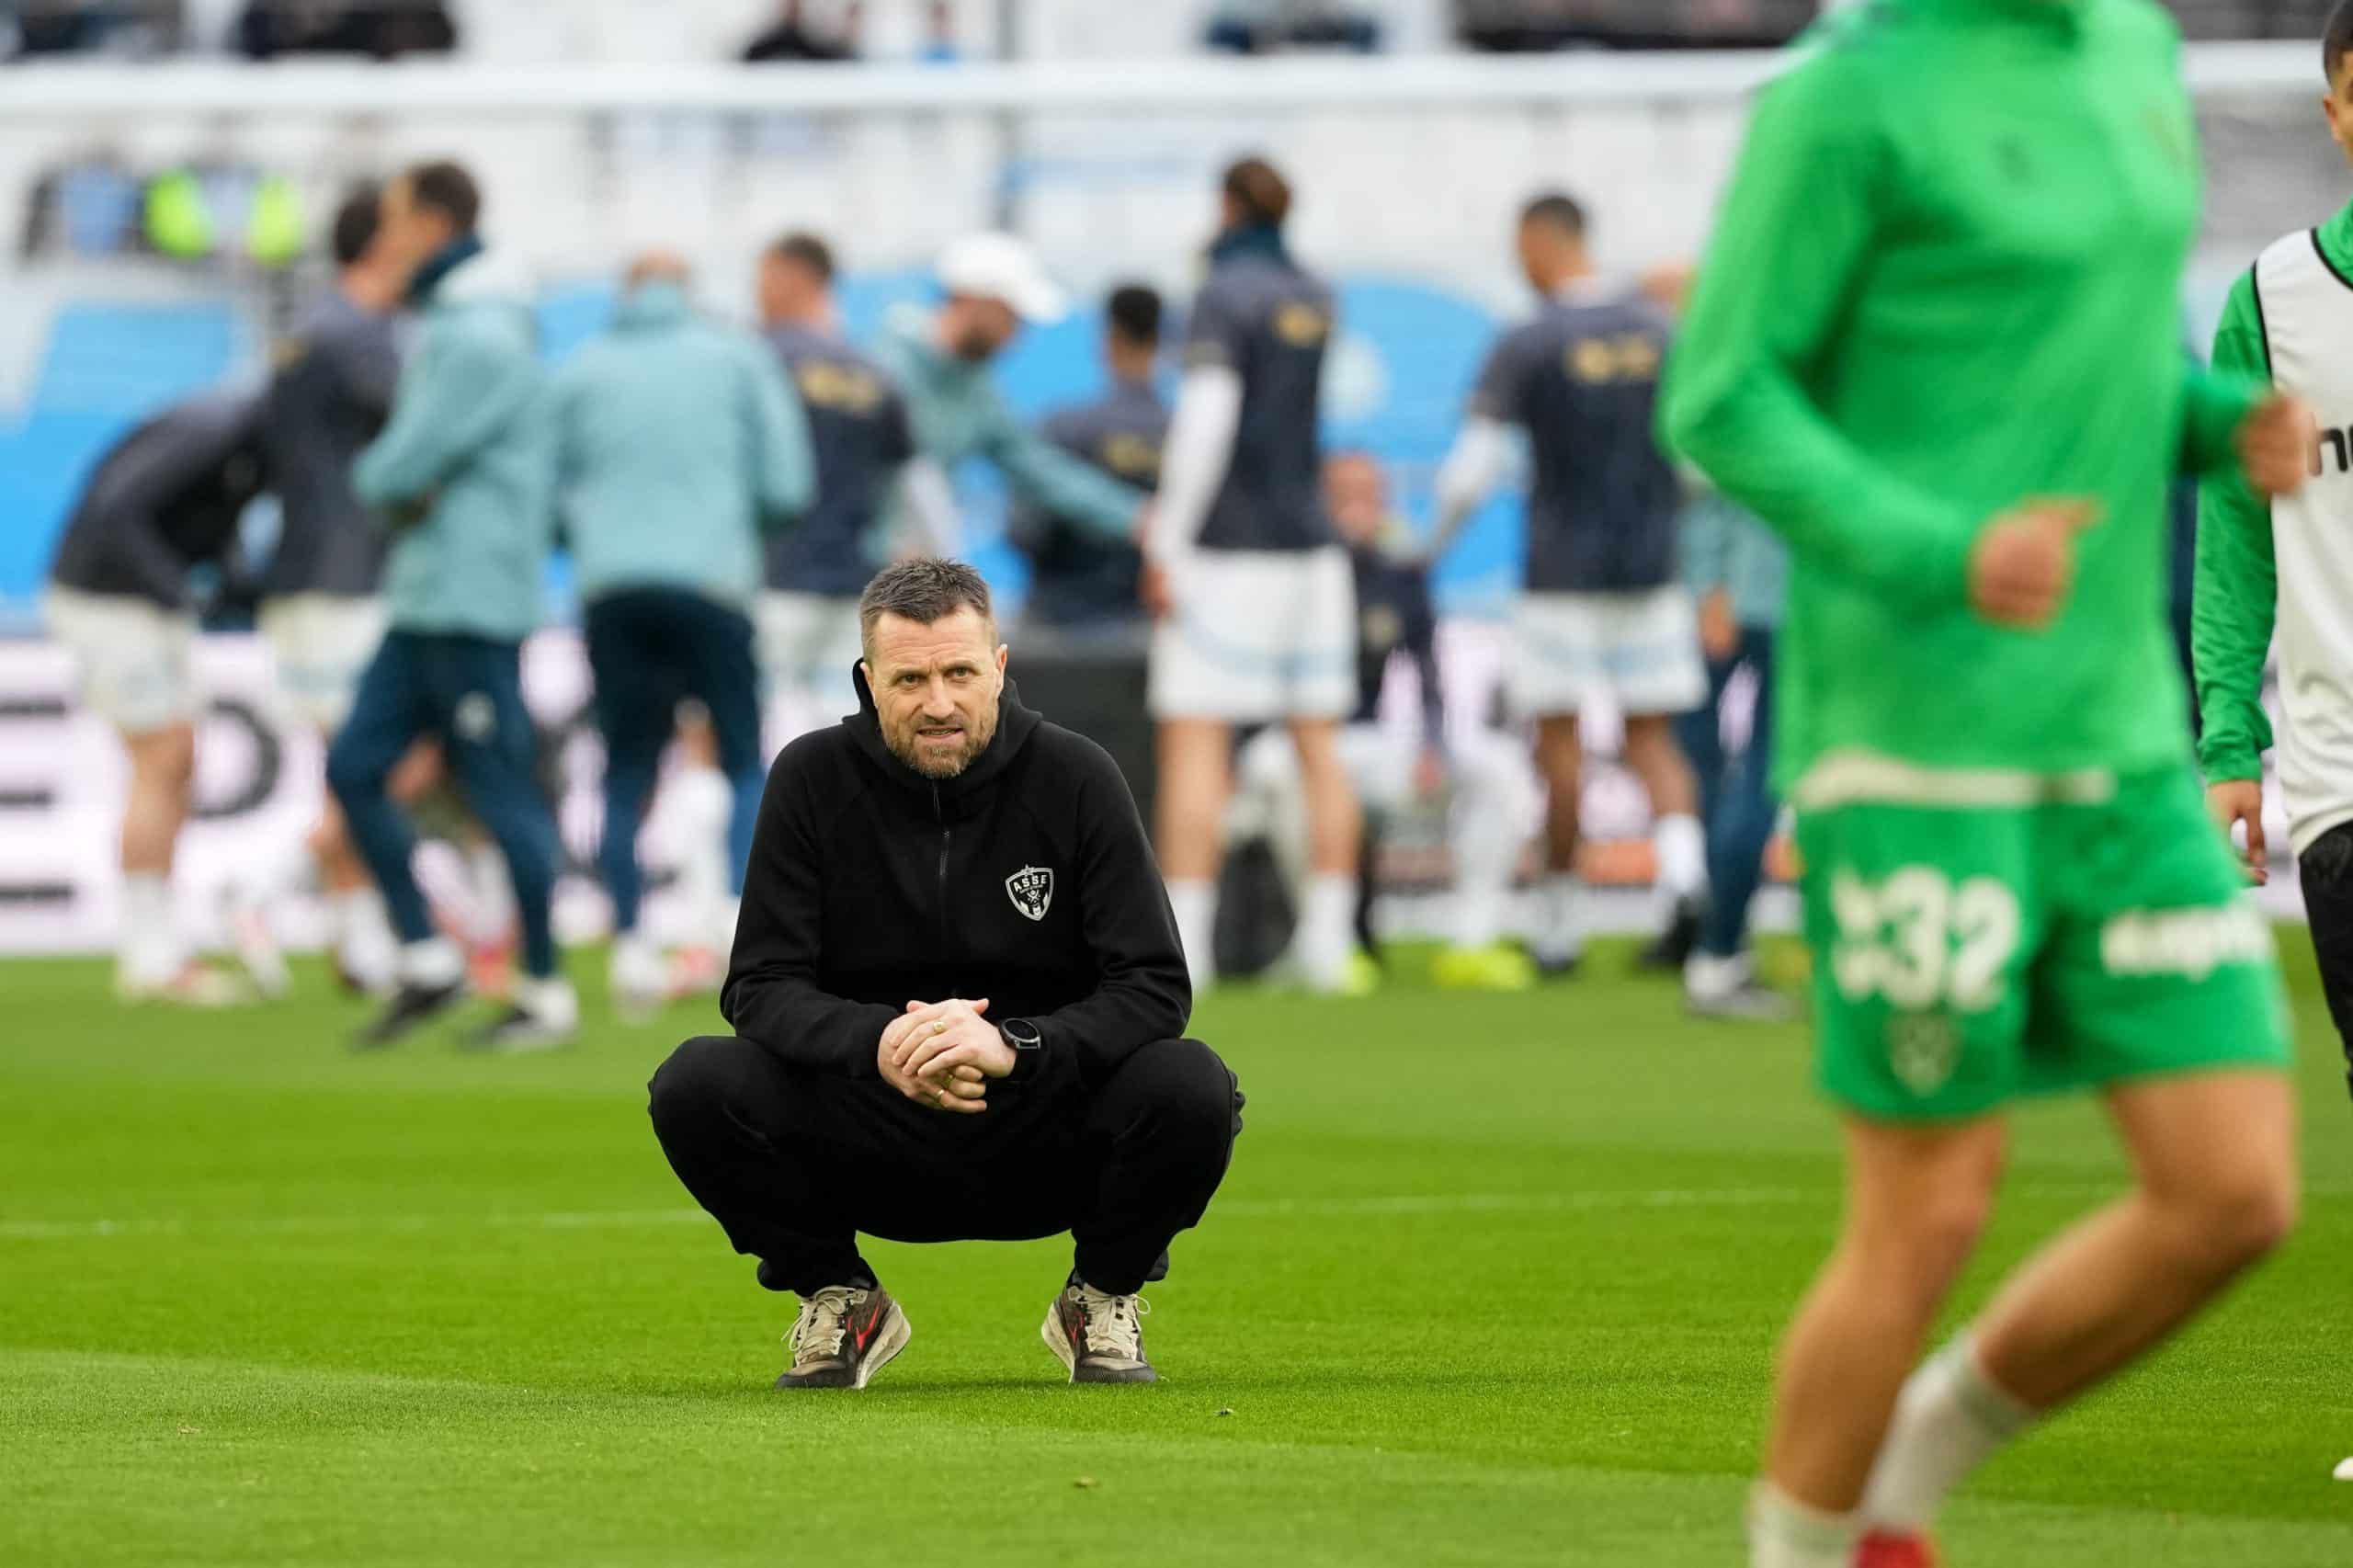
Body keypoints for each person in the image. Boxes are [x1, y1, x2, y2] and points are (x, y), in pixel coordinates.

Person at [1659, 3, 2313, 1564]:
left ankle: (1910, 1462)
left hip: (2120, 735)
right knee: (1931, 1210)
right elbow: (1723, 395)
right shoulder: (1848, 99)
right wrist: (1942, 550)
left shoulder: (2128, 49)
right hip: (1917, 737)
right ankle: (1805, 1547)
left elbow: (2082, 360)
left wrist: (2220, 421)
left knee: (2235, 1191)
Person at [646, 559, 1241, 1390]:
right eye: (911, 679)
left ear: (999, 668)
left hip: (1042, 1123)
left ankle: (1102, 1293)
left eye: (960, 672)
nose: (939, 703)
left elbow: (1153, 986)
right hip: (871, 1126)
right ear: (867, 681)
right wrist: (880, 1040)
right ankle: (840, 1295)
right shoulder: (810, 780)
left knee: (1192, 1085)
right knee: (696, 1082)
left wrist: (1015, 1046)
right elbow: (760, 984)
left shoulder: (1078, 778)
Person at [1429, 192, 1708, 979]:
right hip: (1651, 568)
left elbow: (1470, 473)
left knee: (1559, 747)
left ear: (1539, 240)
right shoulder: (1661, 333)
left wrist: (1432, 547)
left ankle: (1557, 925)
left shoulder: (1531, 340)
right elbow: (1695, 460)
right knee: (1654, 739)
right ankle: (1685, 887)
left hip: (1558, 575)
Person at [330, 160, 574, 1052]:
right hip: (429, 594)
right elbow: (409, 474)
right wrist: (407, 484)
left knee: (500, 788)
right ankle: (430, 956)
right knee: (355, 764)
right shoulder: (460, 322)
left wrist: (398, 482)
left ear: (432, 223)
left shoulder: (478, 334)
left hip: (473, 598)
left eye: (392, 217)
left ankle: (545, 991)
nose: (381, 236)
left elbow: (393, 465)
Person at [552, 252, 815, 1018]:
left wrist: (599, 543)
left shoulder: (581, 370)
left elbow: (548, 492)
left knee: (627, 767)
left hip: (613, 590)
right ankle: (740, 928)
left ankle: (632, 944)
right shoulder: (739, 359)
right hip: (714, 586)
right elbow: (787, 485)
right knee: (740, 759)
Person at [1143, 154, 1367, 996]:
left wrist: (1168, 539)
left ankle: (1186, 950)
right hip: (1312, 547)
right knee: (1320, 745)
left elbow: (1206, 424)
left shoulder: (1223, 292)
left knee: (1197, 739)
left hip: (1231, 547)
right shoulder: (1316, 293)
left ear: (1227, 203)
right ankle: (1331, 945)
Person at [2198, 2, 2353, 1109]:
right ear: (2334, 114)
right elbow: (2234, 540)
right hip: (2341, 770)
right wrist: (2224, 741)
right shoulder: (2268, 300)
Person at [1229, 452, 1540, 989]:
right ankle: (1322, 941)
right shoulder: (1285, 572)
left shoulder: (1399, 574)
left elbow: (1428, 676)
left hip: (1370, 742)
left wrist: (1433, 746)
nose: (1359, 507)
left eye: (1371, 494)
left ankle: (1472, 940)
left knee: (1502, 766)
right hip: (1304, 741)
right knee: (1271, 766)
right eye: (1344, 495)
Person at [44, 389, 270, 1005]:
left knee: (178, 761)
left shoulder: (248, 441)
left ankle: (160, 943)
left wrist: (229, 584)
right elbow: (116, 512)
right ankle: (148, 954)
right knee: (163, 756)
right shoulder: (211, 425)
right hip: (108, 601)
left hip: (142, 605)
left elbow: (207, 524)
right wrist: (180, 591)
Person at [250, 183, 406, 998]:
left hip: (304, 572)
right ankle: (257, 897)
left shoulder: (305, 331)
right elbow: (418, 436)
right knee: (379, 765)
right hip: (348, 580)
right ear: (383, 246)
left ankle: (357, 941)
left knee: (354, 765)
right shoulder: (360, 338)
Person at [754, 231, 947, 737]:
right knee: (847, 734)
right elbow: (909, 482)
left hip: (770, 578)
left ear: (787, 276)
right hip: (856, 582)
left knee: (749, 733)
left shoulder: (758, 359)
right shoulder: (874, 375)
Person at [870, 232, 1149, 573]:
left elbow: (1038, 467)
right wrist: (889, 543)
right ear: (976, 302)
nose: (1017, 335)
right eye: (1013, 316)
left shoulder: (976, 389)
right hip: (847, 576)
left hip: (901, 576)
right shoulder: (884, 368)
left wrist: (1134, 516)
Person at [1676, 490, 1790, 1019]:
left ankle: (1718, 939)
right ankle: (1719, 947)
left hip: (1727, 591)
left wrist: (1707, 583)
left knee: (1714, 777)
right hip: (1779, 599)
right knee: (1756, 776)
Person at [1009, 283, 1167, 639]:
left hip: (1057, 624)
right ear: (1161, 340)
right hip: (1148, 629)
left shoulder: (1064, 428)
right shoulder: (1181, 434)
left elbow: (1023, 530)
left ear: (1109, 339)